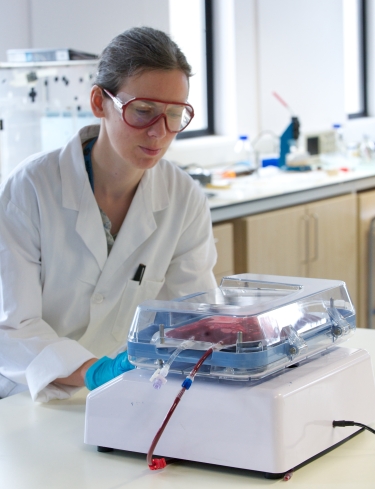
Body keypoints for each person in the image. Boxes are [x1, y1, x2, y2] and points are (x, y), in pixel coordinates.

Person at [0, 27, 217, 402]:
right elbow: (13, 327)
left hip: (129, 393)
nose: (158, 133)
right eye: (143, 112)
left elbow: (194, 315)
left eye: (174, 115)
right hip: (35, 397)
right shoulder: (30, 189)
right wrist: (95, 371)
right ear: (100, 102)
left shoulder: (183, 197)